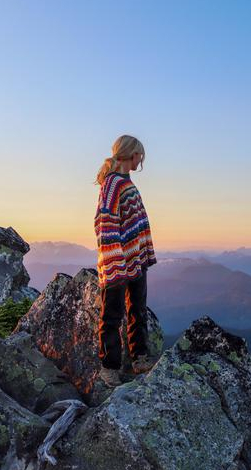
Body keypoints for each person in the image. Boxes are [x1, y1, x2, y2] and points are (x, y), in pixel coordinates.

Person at [94, 134, 157, 387]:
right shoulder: (112, 184)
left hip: (134, 258)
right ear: (131, 154)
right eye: (140, 155)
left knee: (137, 309)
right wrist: (114, 259)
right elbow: (104, 223)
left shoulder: (125, 182)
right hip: (117, 261)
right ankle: (109, 368)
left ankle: (139, 358)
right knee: (112, 316)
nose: (141, 160)